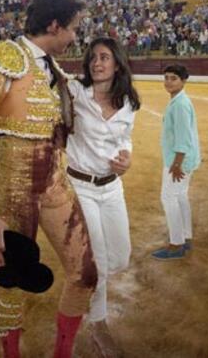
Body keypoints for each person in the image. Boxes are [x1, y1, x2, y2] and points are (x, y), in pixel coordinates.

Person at [0, 0, 97, 358]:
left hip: (54, 183)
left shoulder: (55, 70)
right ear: (54, 24)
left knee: (85, 273)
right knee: (12, 283)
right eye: (74, 27)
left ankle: (62, 354)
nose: (76, 36)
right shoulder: (1, 59)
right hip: (11, 188)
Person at [66, 37, 140, 357]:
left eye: (105, 57)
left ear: (117, 63)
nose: (97, 63)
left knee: (120, 257)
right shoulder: (74, 92)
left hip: (111, 188)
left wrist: (127, 157)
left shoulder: (129, 103)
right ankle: (98, 323)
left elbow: (126, 139)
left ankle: (91, 281)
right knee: (99, 260)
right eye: (93, 57)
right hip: (80, 186)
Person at [152, 64, 201, 260]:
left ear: (183, 80)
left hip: (178, 161)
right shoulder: (179, 101)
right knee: (180, 196)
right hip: (183, 159)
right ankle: (185, 237)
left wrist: (177, 164)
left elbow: (183, 138)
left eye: (173, 78)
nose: (168, 82)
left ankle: (176, 243)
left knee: (169, 197)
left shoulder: (180, 104)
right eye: (166, 78)